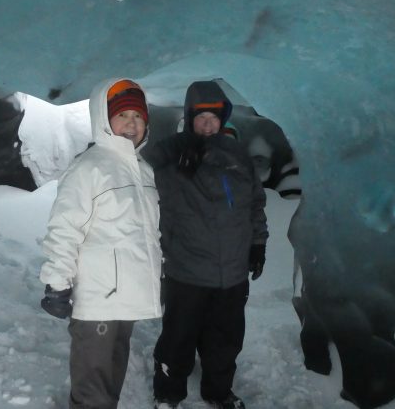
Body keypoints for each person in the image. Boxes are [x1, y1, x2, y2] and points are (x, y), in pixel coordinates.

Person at [39, 78, 162, 409]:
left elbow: (148, 233)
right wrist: (57, 283)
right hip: (97, 303)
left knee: (109, 385)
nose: (131, 124)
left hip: (126, 300)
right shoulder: (89, 168)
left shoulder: (144, 171)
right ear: (103, 120)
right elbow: (65, 228)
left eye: (138, 117)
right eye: (123, 116)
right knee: (93, 390)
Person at [145, 80, 269, 409]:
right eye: (201, 117)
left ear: (223, 118)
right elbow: (134, 171)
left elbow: (255, 202)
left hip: (232, 272)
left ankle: (219, 392)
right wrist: (175, 152)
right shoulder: (170, 152)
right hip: (186, 270)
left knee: (225, 340)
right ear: (189, 117)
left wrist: (258, 243)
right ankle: (168, 393)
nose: (208, 123)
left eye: (214, 117)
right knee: (178, 338)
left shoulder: (237, 155)